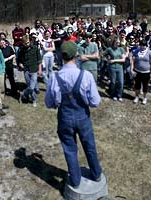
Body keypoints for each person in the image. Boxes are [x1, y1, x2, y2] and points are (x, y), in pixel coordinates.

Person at [45, 41, 102, 188]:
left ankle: (75, 181)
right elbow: (95, 102)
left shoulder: (54, 77)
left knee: (70, 150)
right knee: (90, 146)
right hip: (83, 117)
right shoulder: (86, 75)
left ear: (61, 56)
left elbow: (49, 103)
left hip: (64, 117)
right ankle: (96, 175)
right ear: (76, 55)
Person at [18, 35, 42, 107]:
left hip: (34, 70)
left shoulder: (35, 48)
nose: (27, 44)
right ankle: (34, 99)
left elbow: (39, 60)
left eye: (28, 42)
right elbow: (19, 59)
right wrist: (20, 64)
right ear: (23, 43)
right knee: (30, 86)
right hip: (26, 70)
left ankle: (24, 94)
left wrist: (40, 69)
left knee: (32, 87)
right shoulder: (21, 50)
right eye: (25, 43)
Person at [130, 40, 151, 105]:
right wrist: (132, 69)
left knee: (145, 86)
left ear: (146, 46)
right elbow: (133, 60)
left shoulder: (150, 52)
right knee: (137, 85)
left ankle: (144, 98)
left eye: (144, 45)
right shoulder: (136, 51)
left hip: (146, 72)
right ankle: (136, 97)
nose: (142, 47)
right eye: (141, 45)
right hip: (137, 71)